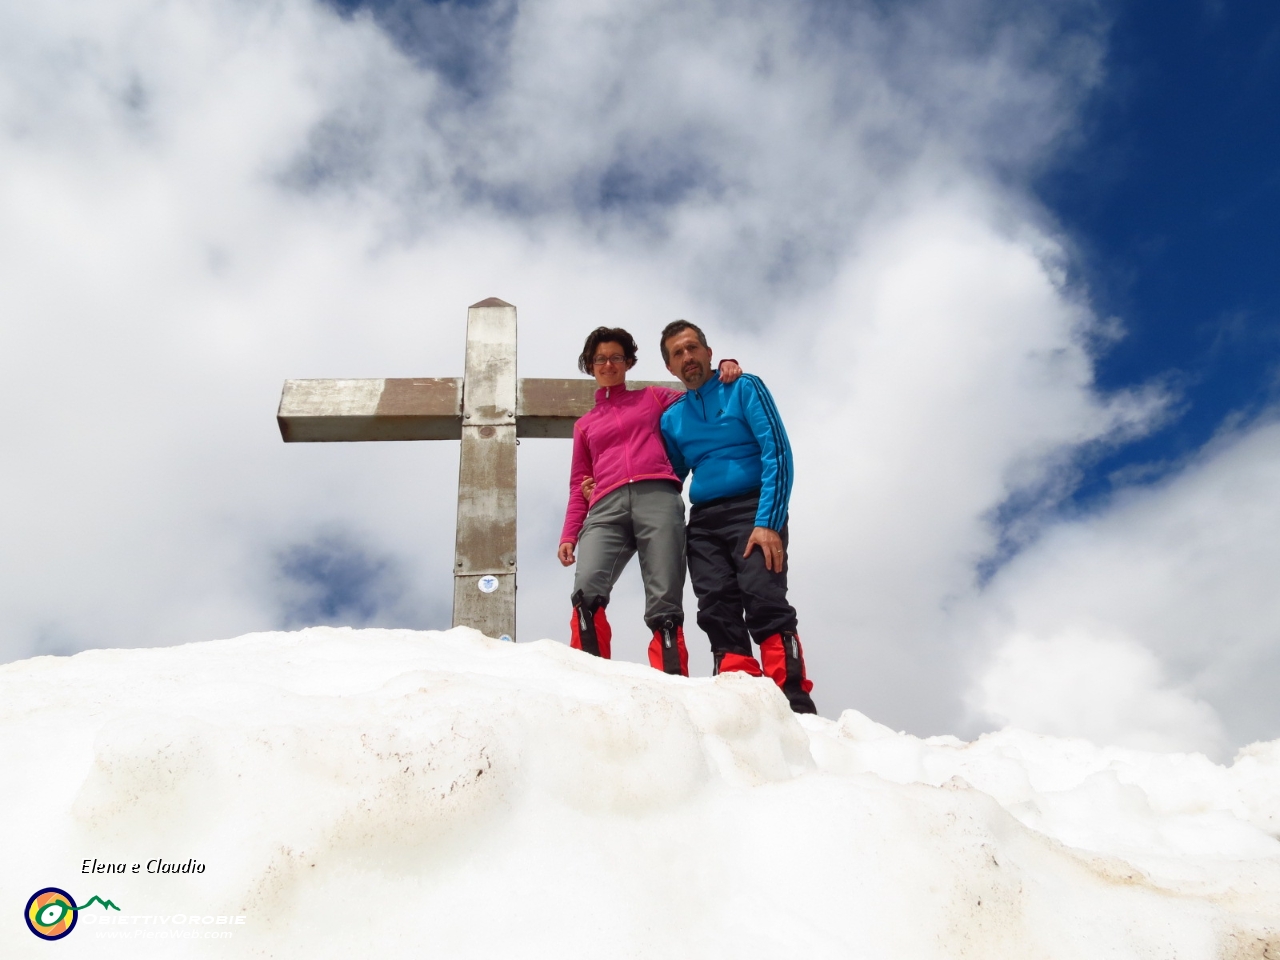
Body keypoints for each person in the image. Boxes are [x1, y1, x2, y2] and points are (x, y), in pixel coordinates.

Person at [558, 327, 740, 675]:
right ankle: (588, 677)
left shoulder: (653, 398)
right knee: (587, 590)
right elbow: (576, 485)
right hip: (605, 506)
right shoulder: (585, 425)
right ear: (590, 365)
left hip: (657, 496)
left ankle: (671, 683)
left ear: (628, 363)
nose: (608, 364)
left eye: (616, 357)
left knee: (664, 598)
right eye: (600, 359)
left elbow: (698, 396)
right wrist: (569, 535)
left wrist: (723, 367)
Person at [657, 320, 817, 714]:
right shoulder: (672, 418)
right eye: (678, 353)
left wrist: (768, 521)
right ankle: (741, 704)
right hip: (705, 522)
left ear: (711, 353)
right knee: (716, 607)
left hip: (754, 509)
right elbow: (669, 476)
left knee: (763, 597)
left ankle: (793, 699)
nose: (688, 357)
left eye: (693, 348)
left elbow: (776, 451)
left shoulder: (744, 386)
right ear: (670, 368)